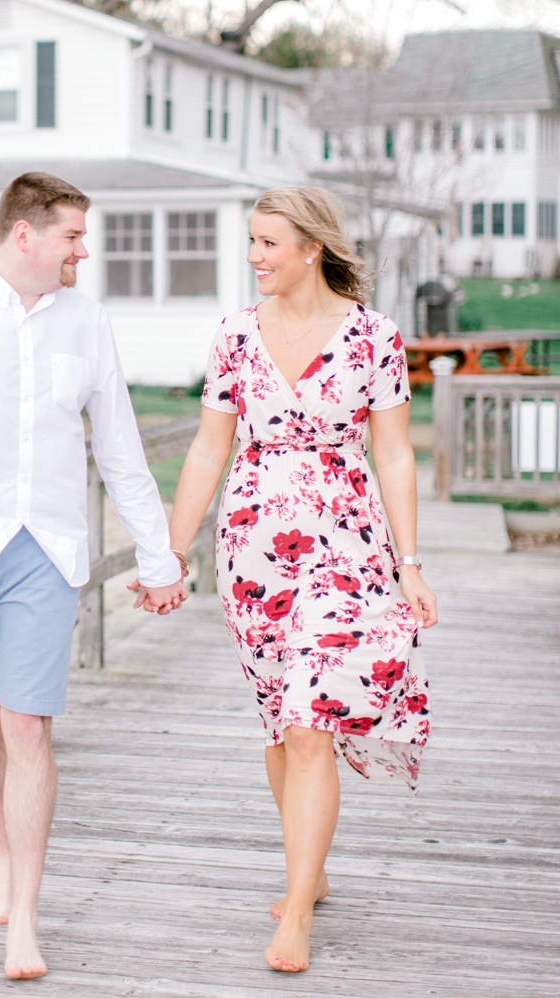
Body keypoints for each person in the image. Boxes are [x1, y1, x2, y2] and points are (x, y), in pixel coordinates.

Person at [0, 172, 188, 980]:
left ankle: (26, 916)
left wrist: (157, 559)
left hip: (46, 554)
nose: (83, 251)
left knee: (28, 725)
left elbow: (120, 448)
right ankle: (5, 856)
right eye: (72, 237)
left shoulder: (87, 323)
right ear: (25, 234)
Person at [162, 186, 438, 973]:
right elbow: (209, 452)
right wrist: (172, 552)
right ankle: (307, 874)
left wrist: (410, 565)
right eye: (250, 242)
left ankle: (296, 921)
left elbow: (393, 454)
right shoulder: (236, 338)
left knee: (314, 719)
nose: (253, 258)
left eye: (267, 244)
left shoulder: (373, 337)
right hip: (254, 549)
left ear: (311, 246)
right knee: (282, 724)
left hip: (348, 545)